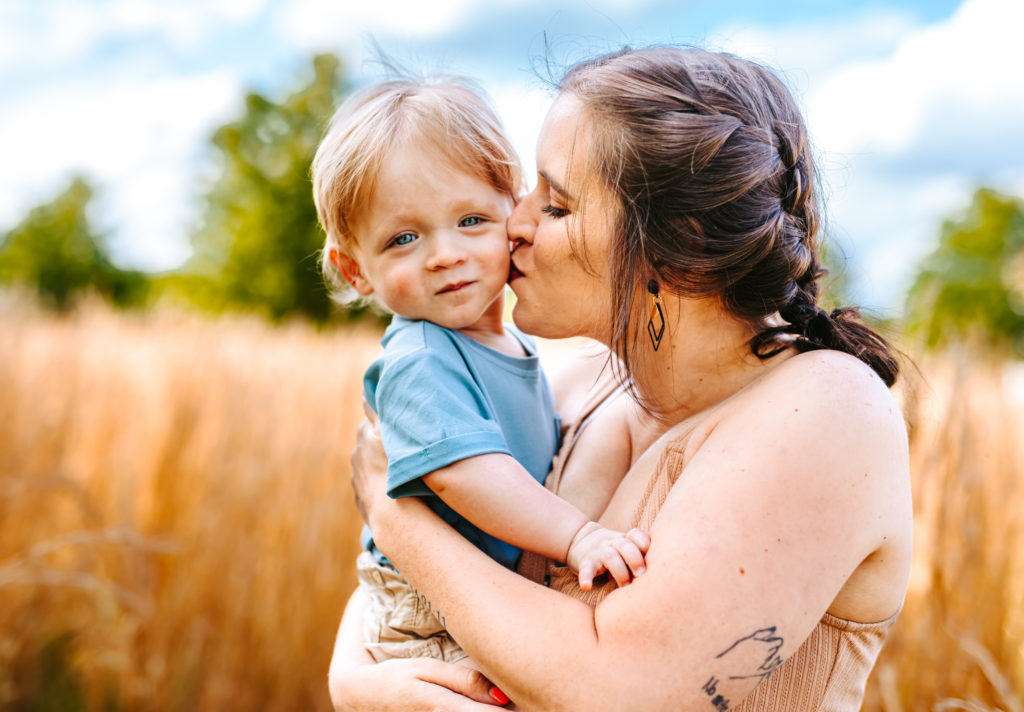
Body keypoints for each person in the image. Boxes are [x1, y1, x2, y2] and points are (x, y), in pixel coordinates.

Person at [329, 46, 913, 711]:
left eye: (556, 206)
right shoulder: (576, 379)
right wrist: (355, 682)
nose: (513, 224)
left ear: (672, 243)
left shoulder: (826, 411)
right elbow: (406, 584)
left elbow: (618, 693)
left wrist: (391, 510)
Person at [312, 77, 649, 668]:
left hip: (475, 592)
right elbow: (465, 476)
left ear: (513, 214)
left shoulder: (507, 341)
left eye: (470, 220)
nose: (445, 254)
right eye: (404, 238)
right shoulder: (422, 358)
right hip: (428, 615)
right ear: (355, 269)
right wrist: (578, 536)